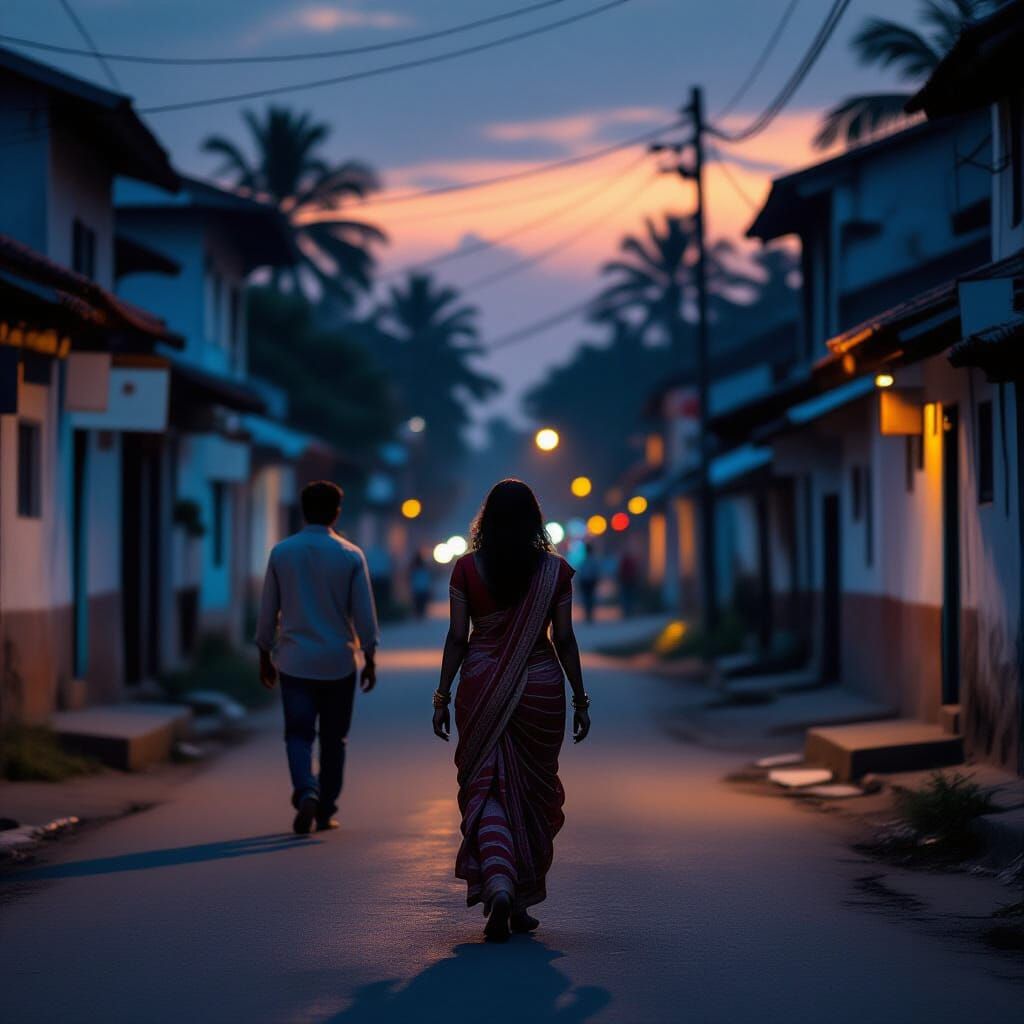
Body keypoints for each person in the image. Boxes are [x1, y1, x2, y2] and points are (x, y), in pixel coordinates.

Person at [432, 479, 590, 942]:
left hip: (481, 687)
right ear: (534, 521)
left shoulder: (465, 570)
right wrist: (580, 698)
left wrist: (442, 695)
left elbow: (459, 638)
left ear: (487, 520)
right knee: (531, 796)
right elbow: (562, 639)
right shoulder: (555, 572)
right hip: (542, 689)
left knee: (489, 786)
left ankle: (501, 885)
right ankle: (516, 896)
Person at [255, 480, 380, 835]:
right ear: (337, 512)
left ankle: (306, 790)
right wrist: (369, 656)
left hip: (294, 661)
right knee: (333, 738)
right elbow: (364, 615)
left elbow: (268, 611)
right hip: (338, 663)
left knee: (298, 733)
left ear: (303, 509)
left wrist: (264, 652)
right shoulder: (351, 554)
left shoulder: (282, 552)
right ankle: (325, 809)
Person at [577, 542, 601, 623]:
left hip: (585, 582)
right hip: (590, 582)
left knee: (587, 598)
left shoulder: (584, 561)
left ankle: (588, 615)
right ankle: (589, 615)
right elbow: (596, 571)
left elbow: (580, 573)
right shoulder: (593, 560)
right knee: (590, 598)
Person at [617, 548, 639, 619]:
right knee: (629, 596)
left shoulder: (624, 562)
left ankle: (627, 611)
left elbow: (620, 571)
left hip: (625, 581)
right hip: (630, 581)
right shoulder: (631, 561)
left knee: (626, 596)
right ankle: (629, 611)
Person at [410, 550, 432, 620]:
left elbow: (411, 578)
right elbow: (427, 577)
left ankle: (418, 615)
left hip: (417, 588)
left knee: (417, 602)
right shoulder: (424, 567)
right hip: (423, 587)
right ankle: (421, 614)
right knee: (422, 602)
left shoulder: (414, 568)